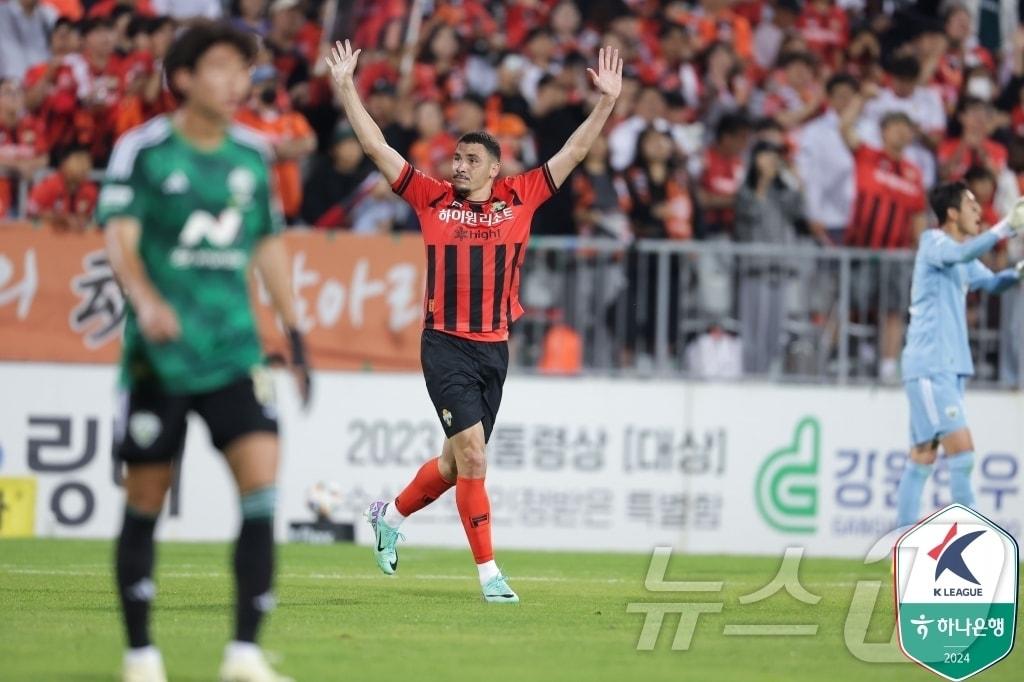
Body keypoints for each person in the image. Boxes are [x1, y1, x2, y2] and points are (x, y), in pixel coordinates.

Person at [325, 39, 622, 603]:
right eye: (456, 159)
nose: (457, 167)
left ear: (494, 168)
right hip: (445, 345)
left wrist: (605, 103)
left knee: (453, 463)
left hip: (495, 348)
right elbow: (375, 146)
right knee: (475, 457)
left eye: (470, 161)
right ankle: (490, 576)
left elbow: (576, 152)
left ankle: (388, 514)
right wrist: (345, 87)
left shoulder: (522, 195)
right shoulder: (432, 199)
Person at [97, 21, 310, 682]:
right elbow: (120, 240)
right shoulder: (145, 150)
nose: (234, 81)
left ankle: (244, 652)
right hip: (158, 357)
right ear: (183, 78)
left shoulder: (253, 156)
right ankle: (141, 654)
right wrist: (146, 300)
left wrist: (295, 334)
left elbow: (268, 246)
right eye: (219, 67)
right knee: (146, 501)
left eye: (242, 70)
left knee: (262, 490)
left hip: (234, 352)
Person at [895, 182, 1024, 528]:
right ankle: (975, 541)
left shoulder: (961, 255)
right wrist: (1006, 228)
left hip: (947, 367)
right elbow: (960, 255)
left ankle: (900, 543)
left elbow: (994, 283)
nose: (979, 212)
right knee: (962, 453)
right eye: (971, 205)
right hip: (931, 366)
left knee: (923, 455)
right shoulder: (935, 243)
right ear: (951, 213)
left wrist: (1019, 272)